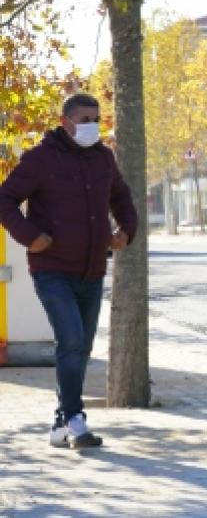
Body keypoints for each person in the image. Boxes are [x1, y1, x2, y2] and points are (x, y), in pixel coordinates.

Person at [0, 93, 137, 450]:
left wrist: (126, 230)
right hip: (52, 269)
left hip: (92, 268)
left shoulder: (103, 158)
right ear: (66, 122)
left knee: (81, 346)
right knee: (71, 341)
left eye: (98, 119)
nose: (93, 125)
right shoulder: (41, 158)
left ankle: (61, 423)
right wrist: (31, 237)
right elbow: (5, 199)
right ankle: (77, 421)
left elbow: (121, 196)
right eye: (86, 119)